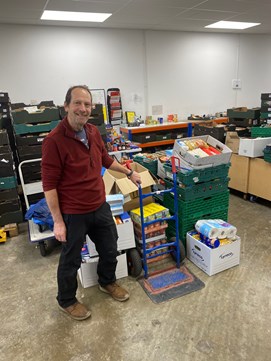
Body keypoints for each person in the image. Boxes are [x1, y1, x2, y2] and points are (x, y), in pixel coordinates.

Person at [41, 85, 141, 321]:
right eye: (77, 103)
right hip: (73, 213)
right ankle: (66, 301)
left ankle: (106, 282)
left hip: (99, 204)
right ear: (66, 106)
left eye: (87, 104)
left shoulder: (94, 131)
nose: (83, 109)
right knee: (71, 259)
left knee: (109, 248)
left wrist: (128, 173)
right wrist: (58, 222)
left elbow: (105, 159)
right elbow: (49, 185)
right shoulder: (54, 141)